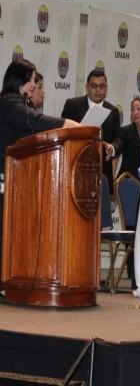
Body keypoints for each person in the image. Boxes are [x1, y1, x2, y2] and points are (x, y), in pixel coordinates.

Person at [0, 59, 80, 283]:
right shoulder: (10, 103)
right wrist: (70, 125)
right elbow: (36, 121)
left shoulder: (14, 102)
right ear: (21, 81)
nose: (35, 85)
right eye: (32, 79)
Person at [61, 69, 120, 194]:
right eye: (94, 86)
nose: (98, 90)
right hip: (76, 167)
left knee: (101, 211)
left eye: (101, 86)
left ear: (106, 87)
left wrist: (112, 147)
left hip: (102, 170)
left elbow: (118, 139)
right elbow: (63, 133)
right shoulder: (73, 105)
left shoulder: (113, 111)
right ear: (87, 87)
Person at [105, 98, 140, 180]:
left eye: (138, 109)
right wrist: (112, 148)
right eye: (132, 110)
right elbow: (118, 143)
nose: (135, 113)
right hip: (129, 180)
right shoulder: (125, 131)